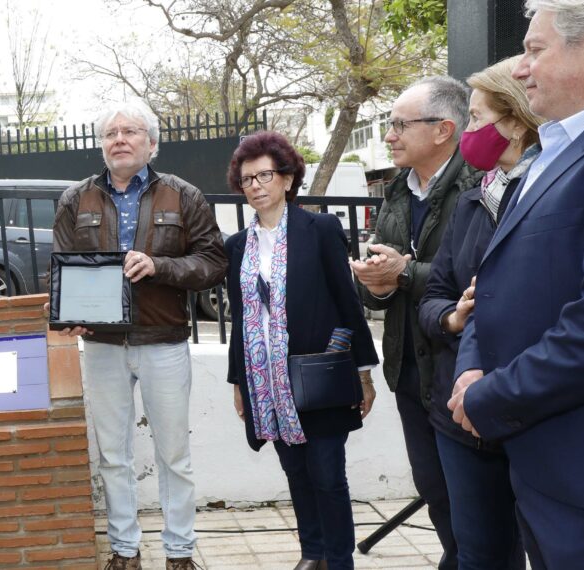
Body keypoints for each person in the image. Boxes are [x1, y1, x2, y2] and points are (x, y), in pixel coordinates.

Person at [447, 1, 584, 567]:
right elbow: (493, 281)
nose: (520, 69)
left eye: (534, 49)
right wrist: (471, 367)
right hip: (549, 474)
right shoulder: (554, 151)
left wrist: (489, 396)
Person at [52, 99, 226, 570]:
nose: (120, 140)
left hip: (163, 341)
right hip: (103, 345)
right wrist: (71, 314)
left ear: (152, 143)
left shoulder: (183, 196)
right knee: (113, 454)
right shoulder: (76, 199)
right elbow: (62, 269)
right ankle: (124, 550)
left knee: (174, 454)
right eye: (111, 133)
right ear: (101, 145)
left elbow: (213, 263)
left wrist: (160, 266)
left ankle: (179, 551)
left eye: (131, 132)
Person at [225, 131, 378, 570]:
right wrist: (239, 381)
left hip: (319, 376)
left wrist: (363, 372)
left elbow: (347, 301)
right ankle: (312, 554)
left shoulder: (321, 229)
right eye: (247, 178)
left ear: (288, 179)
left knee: (328, 474)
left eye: (265, 175)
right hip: (266, 382)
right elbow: (239, 320)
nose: (255, 185)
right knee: (295, 471)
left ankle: (338, 558)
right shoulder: (238, 246)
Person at [350, 75, 482, 570]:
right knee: (435, 490)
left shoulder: (480, 186)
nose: (389, 136)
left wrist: (404, 274)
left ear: (444, 129)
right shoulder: (396, 193)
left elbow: (478, 278)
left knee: (477, 503)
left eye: (400, 125)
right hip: (409, 369)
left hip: (459, 369)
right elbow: (381, 289)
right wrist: (376, 284)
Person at [417, 55, 542, 570]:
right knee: (479, 554)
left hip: (530, 410)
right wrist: (454, 317)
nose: (467, 131)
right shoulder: (472, 202)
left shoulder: (548, 194)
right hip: (461, 417)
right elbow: (432, 297)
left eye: (475, 117)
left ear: (514, 122)